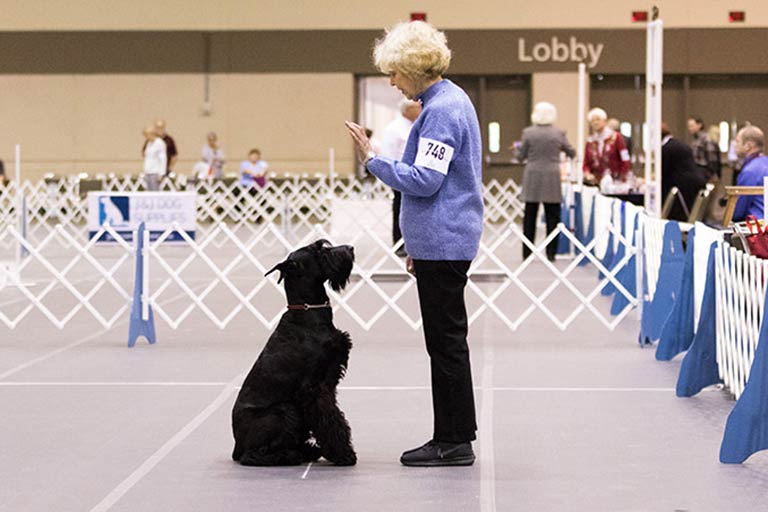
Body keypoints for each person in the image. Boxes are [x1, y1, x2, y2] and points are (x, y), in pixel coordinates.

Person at [345, 20, 482, 467]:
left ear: (414, 68)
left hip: (444, 240)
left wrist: (372, 160)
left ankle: (453, 440)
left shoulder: (441, 110)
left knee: (444, 344)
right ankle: (455, 434)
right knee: (447, 342)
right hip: (439, 241)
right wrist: (416, 247)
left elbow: (424, 181)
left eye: (395, 73)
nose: (392, 81)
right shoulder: (448, 101)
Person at [519, 102, 576, 261]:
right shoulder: (559, 133)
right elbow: (571, 151)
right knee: (553, 216)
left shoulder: (528, 133)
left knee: (530, 215)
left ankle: (527, 252)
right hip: (552, 176)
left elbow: (520, 156)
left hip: (533, 176)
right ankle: (551, 252)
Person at [380, 99, 422, 255]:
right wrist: (391, 175)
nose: (420, 109)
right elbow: (388, 153)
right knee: (400, 209)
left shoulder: (417, 126)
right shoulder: (394, 128)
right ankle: (399, 243)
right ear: (408, 109)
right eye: (417, 107)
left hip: (415, 174)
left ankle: (413, 243)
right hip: (400, 174)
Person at [660, 122, 707, 221]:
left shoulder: (667, 148)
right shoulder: (676, 143)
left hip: (684, 187)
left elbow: (663, 173)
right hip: (694, 183)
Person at [583, 108, 631, 187]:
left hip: (615, 182)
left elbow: (625, 159)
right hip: (596, 183)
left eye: (598, 119)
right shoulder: (590, 141)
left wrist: (622, 176)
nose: (595, 123)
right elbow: (586, 163)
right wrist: (587, 173)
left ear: (604, 121)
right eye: (592, 121)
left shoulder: (616, 137)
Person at [731, 125, 768, 222]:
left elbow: (738, 212)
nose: (735, 145)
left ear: (748, 146)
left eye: (738, 141)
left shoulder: (750, 171)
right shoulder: (765, 162)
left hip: (756, 228)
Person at [142, 125, 166, 191]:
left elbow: (163, 159)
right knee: (148, 192)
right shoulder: (148, 143)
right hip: (148, 171)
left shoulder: (159, 143)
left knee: (155, 192)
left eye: (146, 135)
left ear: (152, 134)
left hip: (155, 172)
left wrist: (161, 173)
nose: (146, 137)